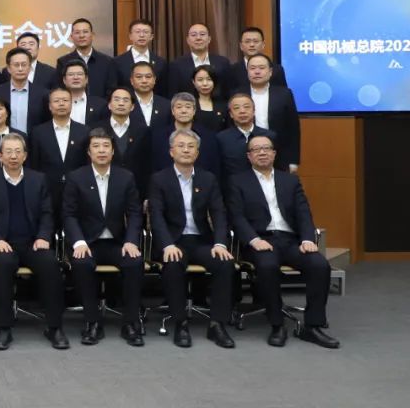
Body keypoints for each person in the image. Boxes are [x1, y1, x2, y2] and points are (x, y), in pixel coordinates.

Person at [227, 134, 339, 349]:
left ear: (274, 153)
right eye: (256, 149)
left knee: (319, 265)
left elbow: (303, 212)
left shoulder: (290, 180)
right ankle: (277, 324)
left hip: (289, 241)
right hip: (260, 241)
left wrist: (307, 239)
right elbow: (236, 216)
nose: (262, 152)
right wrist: (253, 239)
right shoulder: (237, 181)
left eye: (266, 148)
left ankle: (312, 326)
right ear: (249, 156)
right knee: (267, 265)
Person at [0, 134, 69, 351]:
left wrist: (43, 237)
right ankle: (3, 328)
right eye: (8, 151)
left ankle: (55, 327)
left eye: (18, 151)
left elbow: (47, 213)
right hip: (1, 243)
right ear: (0, 156)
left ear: (25, 156)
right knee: (4, 264)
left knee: (50, 264)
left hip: (32, 242)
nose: (13, 156)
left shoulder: (38, 179)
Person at [148, 129, 236, 349]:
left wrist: (220, 243)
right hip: (173, 241)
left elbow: (219, 213)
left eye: (191, 146)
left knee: (225, 263)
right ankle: (181, 323)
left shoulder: (208, 178)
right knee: (173, 263)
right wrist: (167, 244)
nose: (186, 150)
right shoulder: (159, 179)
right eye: (181, 146)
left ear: (197, 152)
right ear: (171, 151)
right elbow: (156, 216)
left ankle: (217, 324)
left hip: (200, 241)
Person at [63, 128, 145, 347]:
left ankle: (131, 322)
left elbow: (135, 213)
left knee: (134, 262)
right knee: (82, 264)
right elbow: (69, 214)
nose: (101, 151)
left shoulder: (125, 177)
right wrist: (79, 242)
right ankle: (92, 322)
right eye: (96, 146)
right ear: (89, 152)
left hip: (117, 242)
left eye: (106, 146)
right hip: (87, 242)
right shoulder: (76, 177)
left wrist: (131, 241)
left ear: (113, 151)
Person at [28, 86, 91, 217]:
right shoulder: (38, 132)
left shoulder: (84, 131)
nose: (61, 104)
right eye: (56, 101)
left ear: (71, 104)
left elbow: (87, 163)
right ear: (50, 106)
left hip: (77, 191)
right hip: (47, 191)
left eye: (65, 100)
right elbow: (34, 164)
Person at [94, 88, 152, 198]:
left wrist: (147, 195)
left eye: (125, 100)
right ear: (109, 105)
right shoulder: (97, 128)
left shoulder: (142, 130)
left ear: (132, 106)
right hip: (103, 187)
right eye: (117, 99)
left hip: (135, 189)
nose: (121, 103)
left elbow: (147, 165)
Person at [247, 54, 301, 173]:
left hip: (279, 153)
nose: (257, 72)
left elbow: (293, 128)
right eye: (252, 68)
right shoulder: (237, 94)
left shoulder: (284, 94)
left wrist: (293, 160)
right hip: (247, 153)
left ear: (270, 72)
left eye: (261, 68)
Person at [149, 93, 222, 176]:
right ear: (172, 111)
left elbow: (214, 167)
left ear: (194, 111)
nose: (183, 111)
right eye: (179, 107)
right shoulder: (158, 137)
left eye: (188, 107)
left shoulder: (208, 137)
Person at [215, 93, 277, 186]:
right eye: (236, 108)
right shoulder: (222, 138)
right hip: (233, 188)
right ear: (231, 114)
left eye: (247, 107)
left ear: (254, 111)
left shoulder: (269, 136)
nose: (242, 111)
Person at [0, 47, 49, 135]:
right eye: (16, 65)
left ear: (30, 68)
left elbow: (46, 122)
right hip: (5, 140)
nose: (20, 69)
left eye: (24, 65)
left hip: (33, 141)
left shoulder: (43, 93)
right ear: (8, 68)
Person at [56, 19, 118, 99]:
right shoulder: (63, 62)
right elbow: (60, 90)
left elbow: (112, 91)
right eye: (77, 32)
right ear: (71, 37)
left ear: (92, 35)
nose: (81, 36)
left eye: (85, 32)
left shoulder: (107, 62)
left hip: (101, 106)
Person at [168, 23, 231, 98]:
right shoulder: (176, 65)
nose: (198, 38)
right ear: (188, 40)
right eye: (193, 35)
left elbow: (228, 91)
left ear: (209, 39)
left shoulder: (223, 62)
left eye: (202, 34)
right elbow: (173, 95)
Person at [113, 19, 169, 96]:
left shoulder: (161, 62)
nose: (142, 35)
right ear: (130, 36)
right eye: (137, 32)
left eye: (146, 32)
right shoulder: (117, 62)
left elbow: (164, 90)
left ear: (151, 37)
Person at [227, 26, 288, 93]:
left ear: (263, 45)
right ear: (241, 46)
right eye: (247, 41)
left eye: (256, 41)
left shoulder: (277, 69)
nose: (252, 45)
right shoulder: (231, 70)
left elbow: (283, 94)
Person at [61, 59, 109, 125]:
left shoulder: (101, 104)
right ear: (64, 80)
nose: (75, 77)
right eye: (71, 74)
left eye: (80, 74)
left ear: (86, 79)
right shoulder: (57, 104)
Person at [129, 61, 171, 131]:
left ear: (154, 79)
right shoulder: (126, 103)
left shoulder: (167, 105)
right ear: (131, 81)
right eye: (139, 77)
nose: (144, 81)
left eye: (148, 77)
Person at [191, 65, 228, 132]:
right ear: (193, 82)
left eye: (209, 79)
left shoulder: (223, 105)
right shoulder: (189, 104)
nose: (205, 84)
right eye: (200, 80)